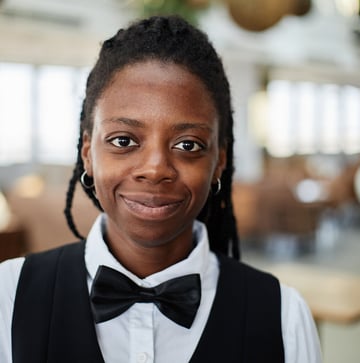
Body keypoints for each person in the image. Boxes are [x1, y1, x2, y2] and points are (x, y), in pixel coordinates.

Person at [0, 15, 322, 363]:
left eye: (188, 145)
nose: (155, 169)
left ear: (219, 162)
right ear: (88, 154)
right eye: (123, 140)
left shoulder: (283, 316)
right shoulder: (9, 295)